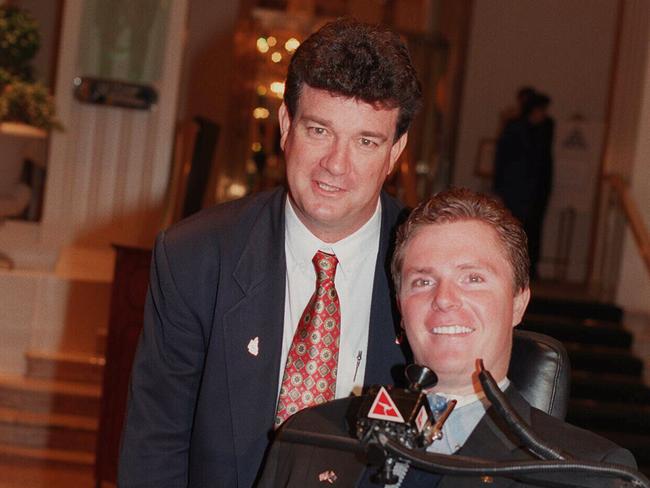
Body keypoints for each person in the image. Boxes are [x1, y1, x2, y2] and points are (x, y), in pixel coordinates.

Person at [118, 18, 422, 488]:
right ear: (286, 126)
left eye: (366, 141)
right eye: (319, 130)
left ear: (395, 151)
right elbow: (155, 448)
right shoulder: (195, 258)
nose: (335, 165)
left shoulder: (431, 267)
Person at [257, 188, 636, 487]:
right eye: (423, 281)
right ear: (400, 312)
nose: (444, 300)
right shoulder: (310, 437)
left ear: (519, 303)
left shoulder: (589, 473)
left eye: (473, 278)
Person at [493, 91, 554, 279]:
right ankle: (513, 268)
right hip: (515, 189)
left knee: (534, 229)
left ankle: (530, 267)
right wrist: (499, 187)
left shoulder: (545, 129)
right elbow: (502, 159)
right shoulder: (515, 128)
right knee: (515, 228)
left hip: (537, 190)